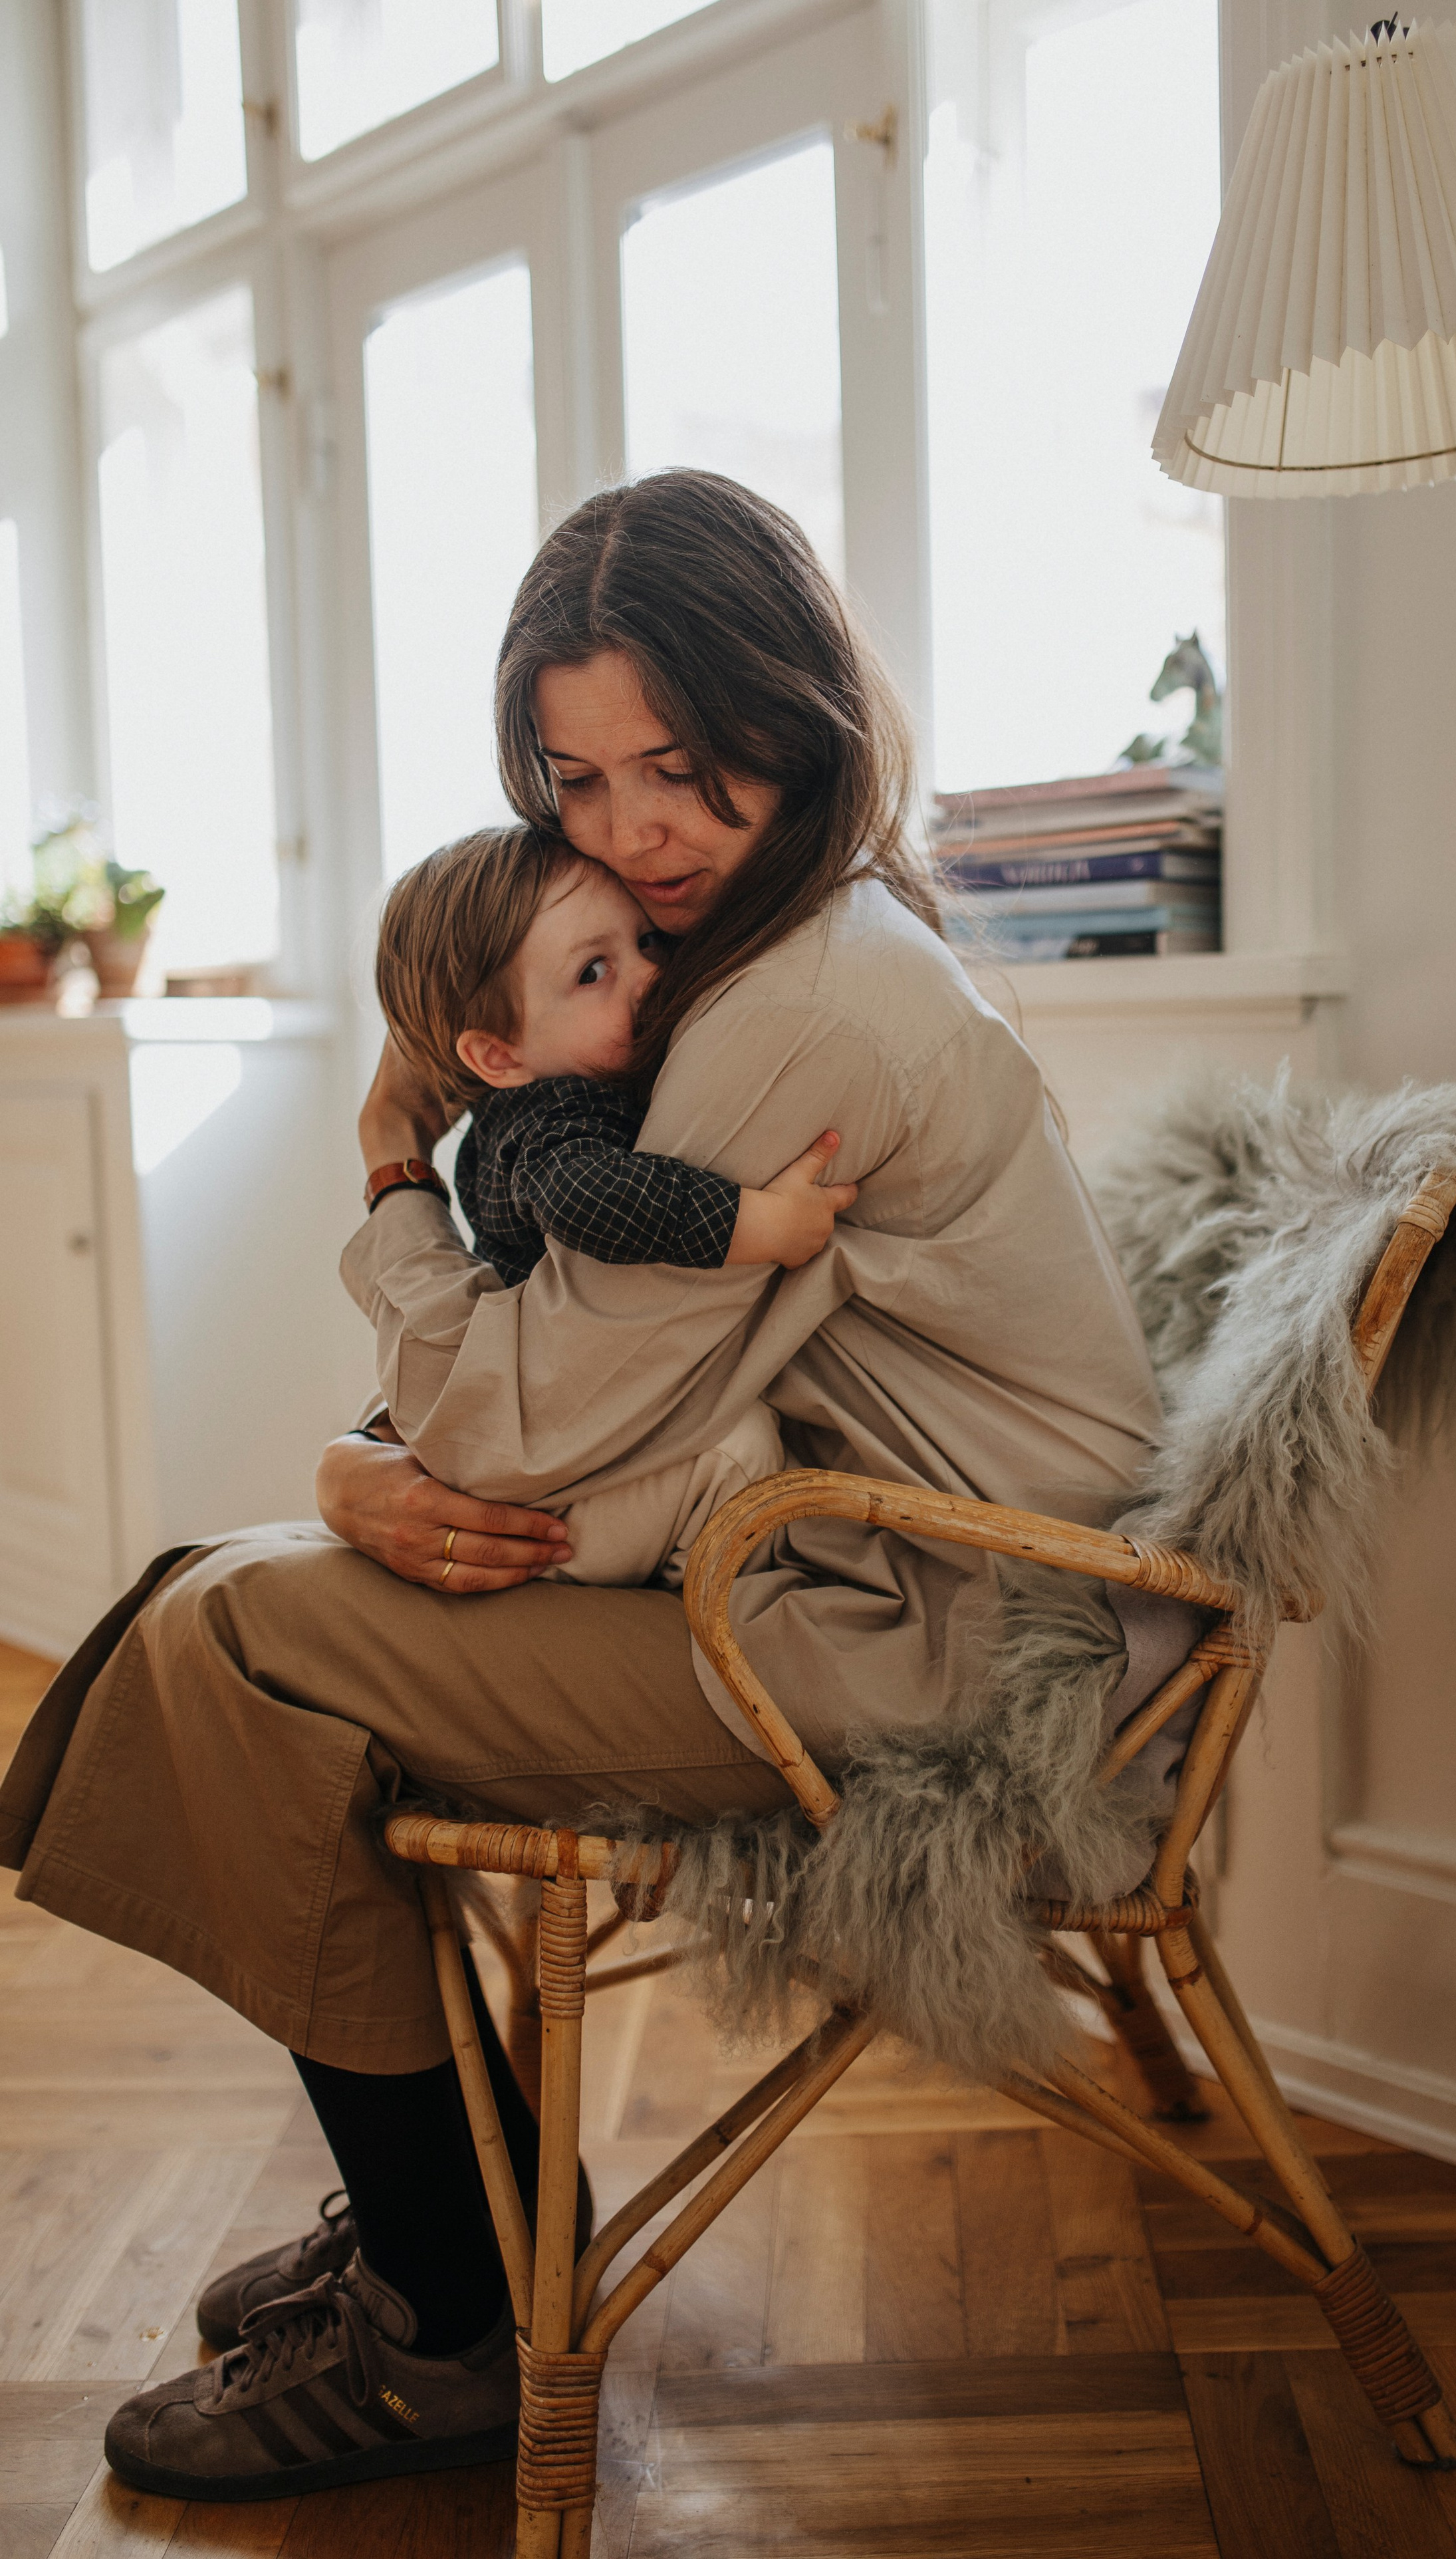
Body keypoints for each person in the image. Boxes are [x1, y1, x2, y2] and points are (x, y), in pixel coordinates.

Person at [0, 469, 1181, 2504]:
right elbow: (570, 1397)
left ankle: (441, 2314)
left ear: (795, 716)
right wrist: (364, 1476)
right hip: (851, 1571)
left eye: (683, 765)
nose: (629, 835)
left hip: (945, 1635)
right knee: (241, 1592)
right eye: (575, 774)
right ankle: (443, 2221)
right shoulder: (792, 941)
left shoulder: (791, 1006)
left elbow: (529, 1433)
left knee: (242, 1637)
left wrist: (386, 1198)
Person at [370, 822, 857, 1587]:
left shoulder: (540, 1095)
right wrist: (755, 1222)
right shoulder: (555, 1116)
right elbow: (584, 1194)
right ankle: (666, 1599)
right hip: (562, 1513)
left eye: (646, 942)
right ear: (499, 1054)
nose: (648, 975)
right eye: (593, 971)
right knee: (739, 1450)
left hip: (564, 1465)